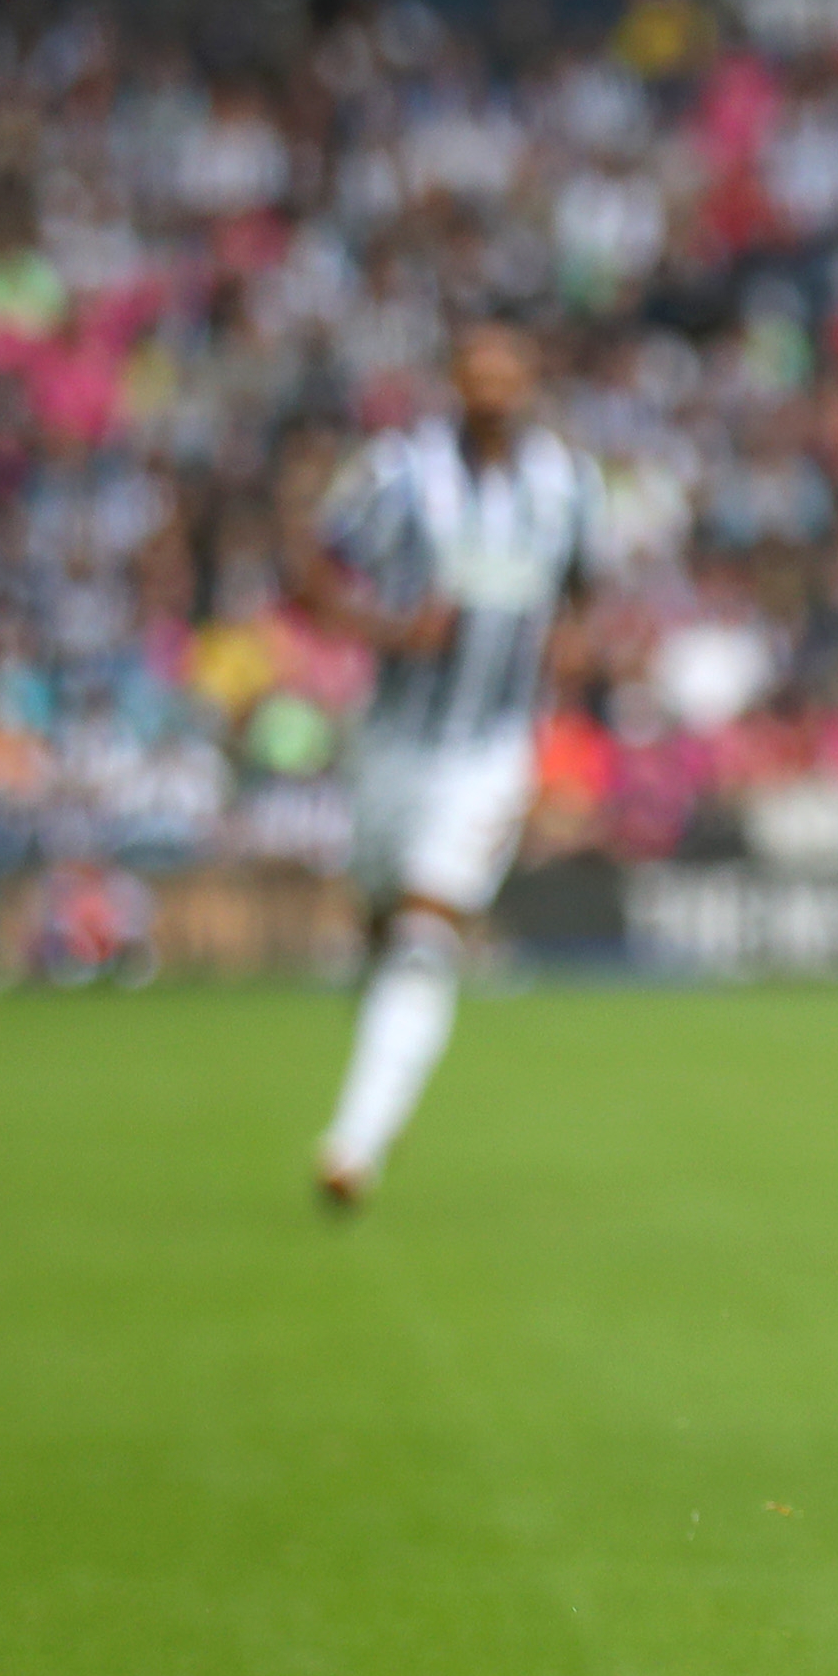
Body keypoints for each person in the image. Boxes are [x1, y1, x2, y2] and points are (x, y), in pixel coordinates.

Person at [294, 321, 598, 1208]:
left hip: (492, 747)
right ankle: (381, 1078)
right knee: (387, 923)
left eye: (510, 372)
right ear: (456, 382)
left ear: (530, 382)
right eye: (479, 372)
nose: (494, 387)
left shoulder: (568, 485)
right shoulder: (397, 474)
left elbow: (583, 593)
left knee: (428, 935)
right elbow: (314, 571)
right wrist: (388, 631)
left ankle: (353, 1145)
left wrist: (572, 651)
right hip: (392, 738)